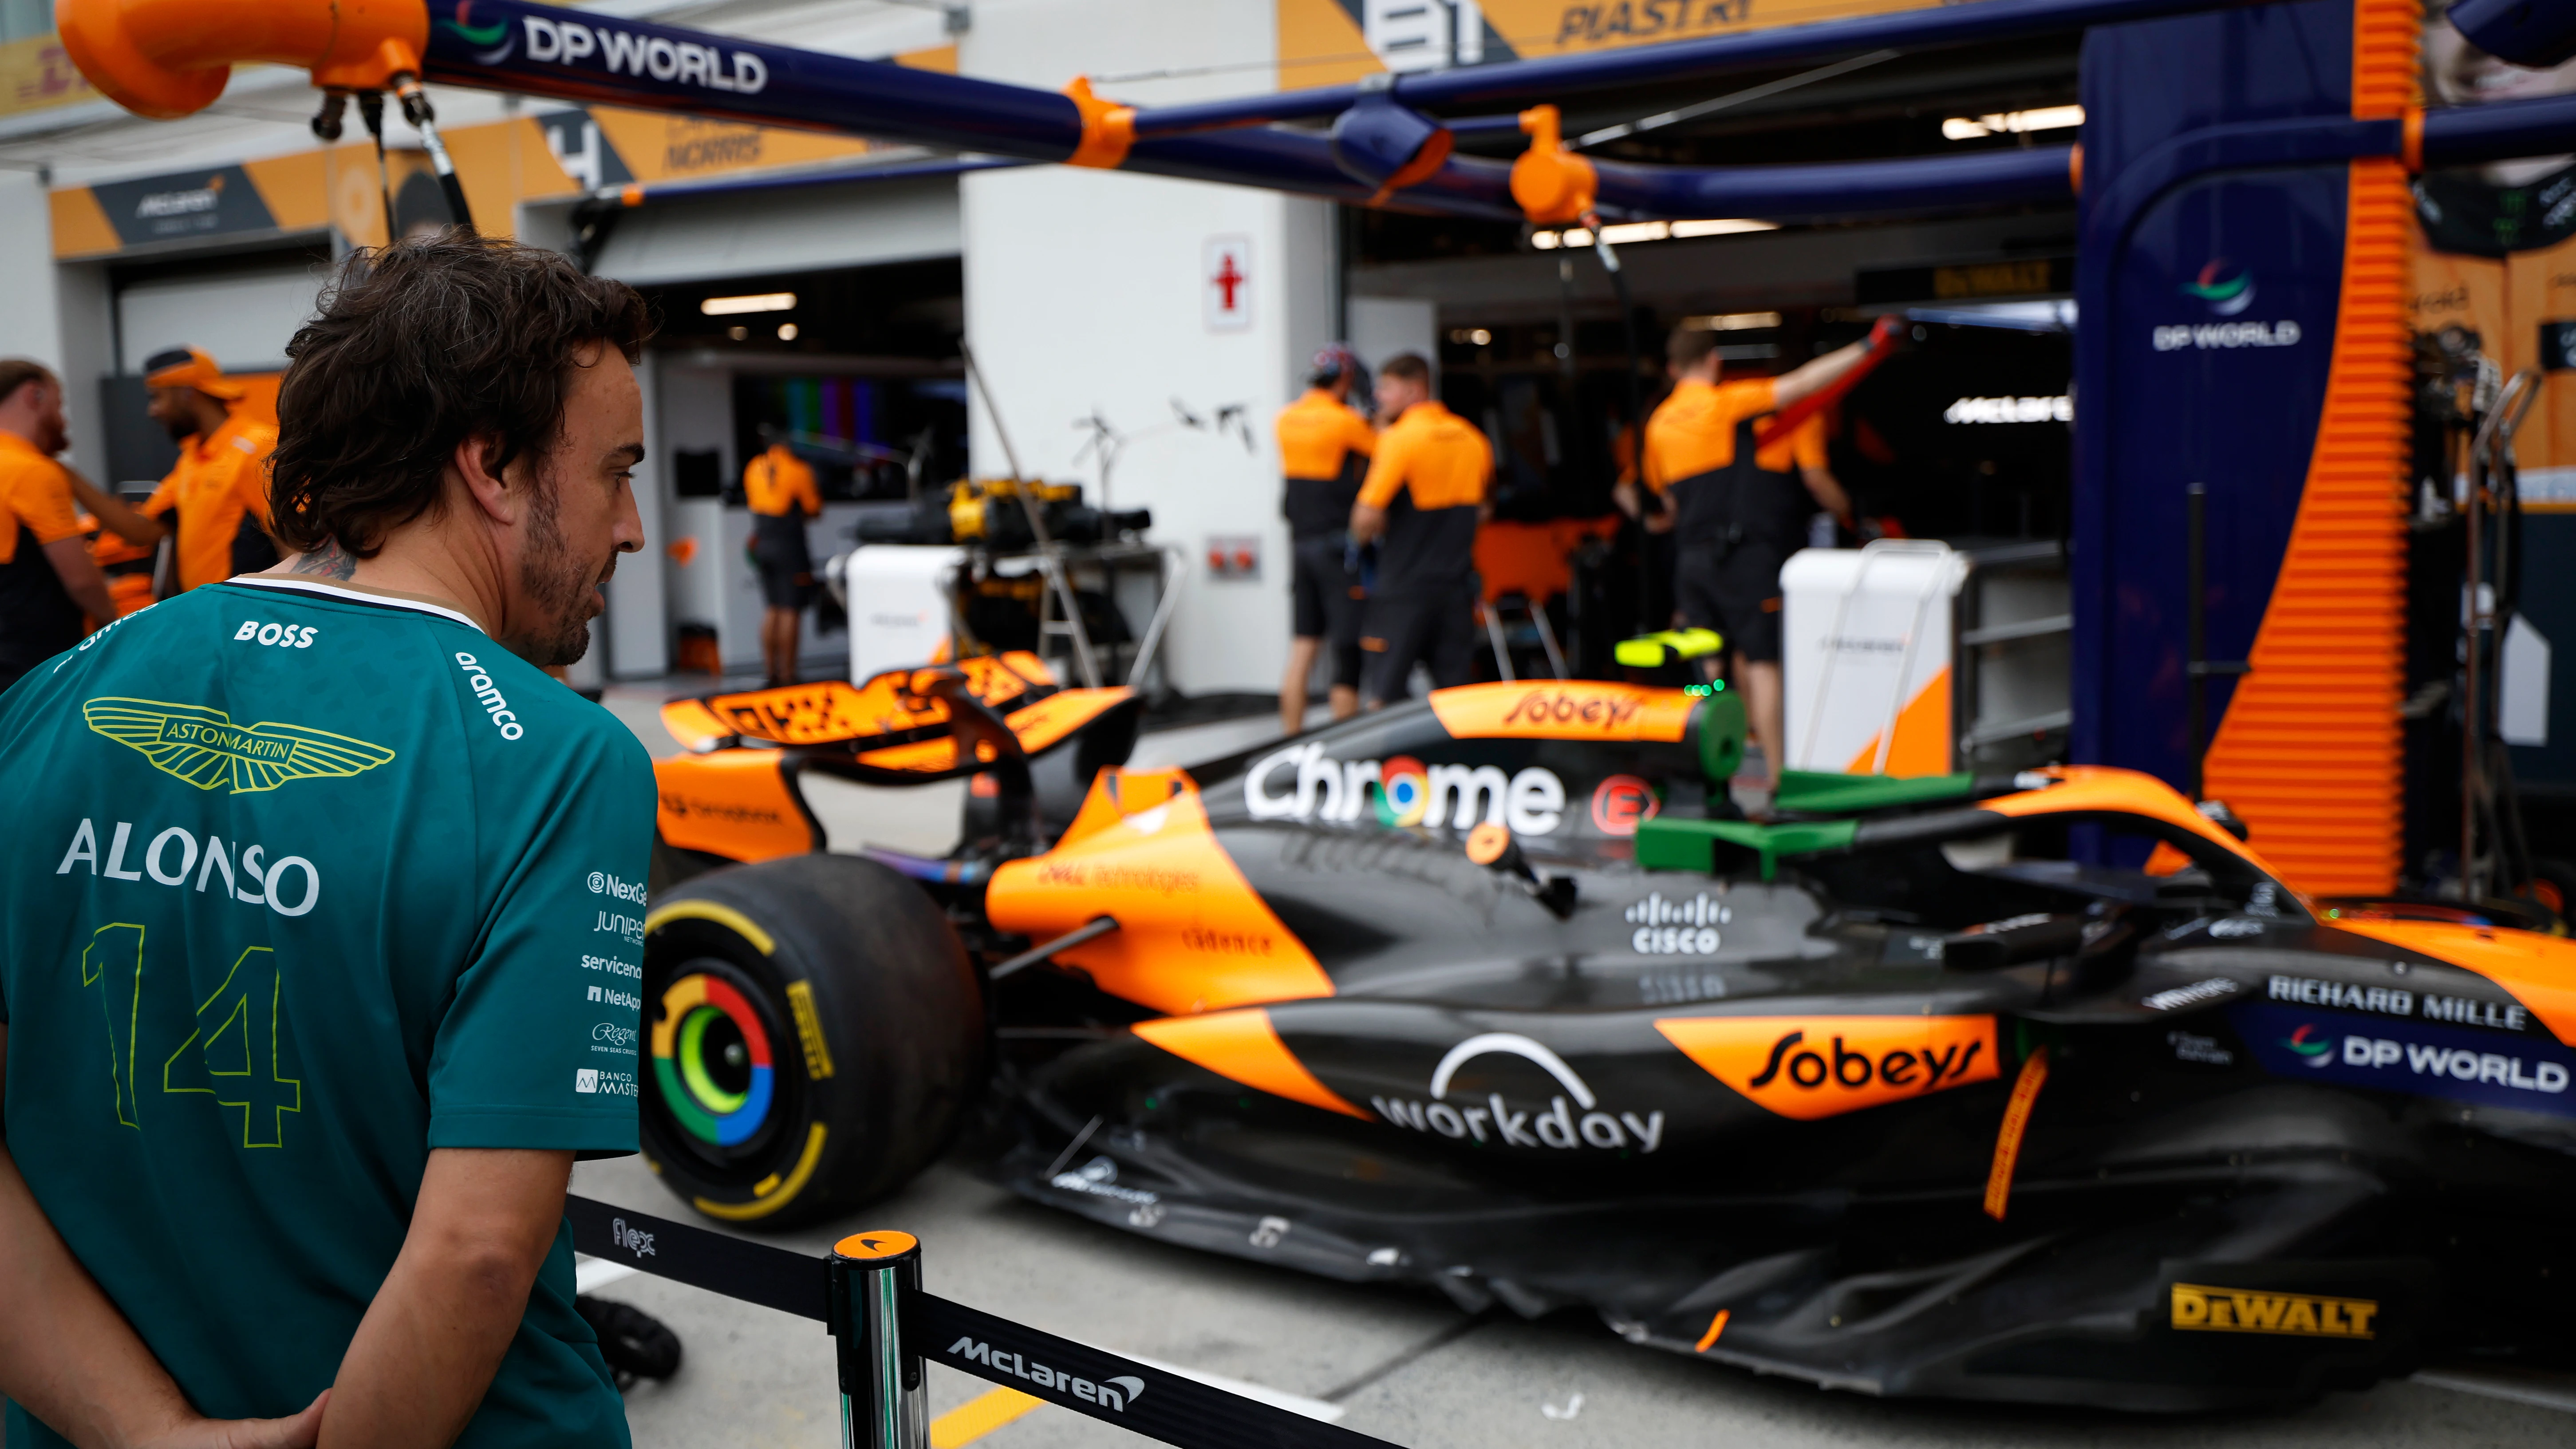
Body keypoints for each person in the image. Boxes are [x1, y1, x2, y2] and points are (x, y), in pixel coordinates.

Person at [0, 234, 653, 1449]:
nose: (629, 525)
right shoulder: (557, 762)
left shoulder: (46, 701)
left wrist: (141, 1432)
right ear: (493, 467)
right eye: (616, 470)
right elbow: (471, 1256)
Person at [1634, 320, 1890, 785]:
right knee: (1762, 663)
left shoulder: (1658, 425)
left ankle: (1708, 775)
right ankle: (1777, 779)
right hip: (1746, 561)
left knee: (1707, 669)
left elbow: (1666, 499)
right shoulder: (1727, 405)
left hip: (1692, 563)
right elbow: (1802, 385)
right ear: (1715, 361)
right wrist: (1867, 346)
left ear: (1673, 369)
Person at [1350, 353, 1492, 709]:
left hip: (1403, 588)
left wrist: (1364, 538)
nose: (1379, 396)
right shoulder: (1473, 438)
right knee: (1457, 701)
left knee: (1383, 695)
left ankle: (1383, 764)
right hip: (1455, 587)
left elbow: (1364, 521)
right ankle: (1460, 765)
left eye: (1386, 388)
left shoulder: (1399, 439)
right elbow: (1485, 509)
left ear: (1414, 391)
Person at [85, 348, 284, 597]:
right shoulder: (192, 459)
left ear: (187, 392)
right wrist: (66, 477)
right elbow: (142, 532)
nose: (152, 411)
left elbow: (293, 543)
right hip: (207, 617)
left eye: (156, 398)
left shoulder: (256, 447)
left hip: (245, 617)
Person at [0, 360, 120, 694]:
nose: (63, 418)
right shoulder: (30, 470)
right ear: (33, 395)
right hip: (26, 661)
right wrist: (114, 626)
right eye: (59, 403)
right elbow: (81, 579)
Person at [1275, 343, 1377, 733]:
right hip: (1337, 547)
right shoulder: (1344, 422)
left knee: (1303, 647)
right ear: (1346, 379)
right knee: (1347, 649)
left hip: (1300, 543)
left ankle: (1288, 740)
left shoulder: (1285, 419)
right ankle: (1346, 750)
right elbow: (1384, 450)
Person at [743, 431, 821, 687]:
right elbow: (813, 509)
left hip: (762, 542)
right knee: (790, 609)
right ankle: (788, 675)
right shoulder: (799, 469)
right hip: (789, 546)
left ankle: (770, 672)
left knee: (772, 608)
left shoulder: (754, 467)